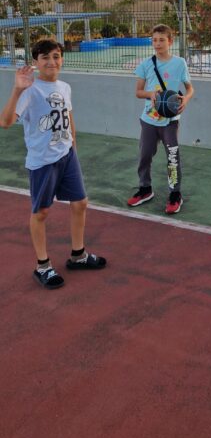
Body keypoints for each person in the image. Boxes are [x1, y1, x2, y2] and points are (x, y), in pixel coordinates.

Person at [0, 39, 106, 289]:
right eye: (45, 57)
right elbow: (5, 122)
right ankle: (43, 266)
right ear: (36, 62)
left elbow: (69, 119)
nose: (51, 62)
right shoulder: (29, 90)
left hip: (67, 155)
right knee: (41, 213)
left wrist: (73, 150)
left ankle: (78, 255)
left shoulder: (65, 87)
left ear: (62, 59)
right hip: (43, 162)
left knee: (80, 203)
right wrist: (16, 90)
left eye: (56, 56)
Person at [127, 24, 194, 214]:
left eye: (162, 40)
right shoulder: (146, 64)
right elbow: (138, 92)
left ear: (170, 41)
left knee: (173, 158)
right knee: (145, 156)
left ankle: (175, 194)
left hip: (170, 121)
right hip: (149, 119)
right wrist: (151, 94)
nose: (157, 44)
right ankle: (145, 189)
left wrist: (186, 99)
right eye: (154, 40)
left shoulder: (179, 63)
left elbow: (190, 89)